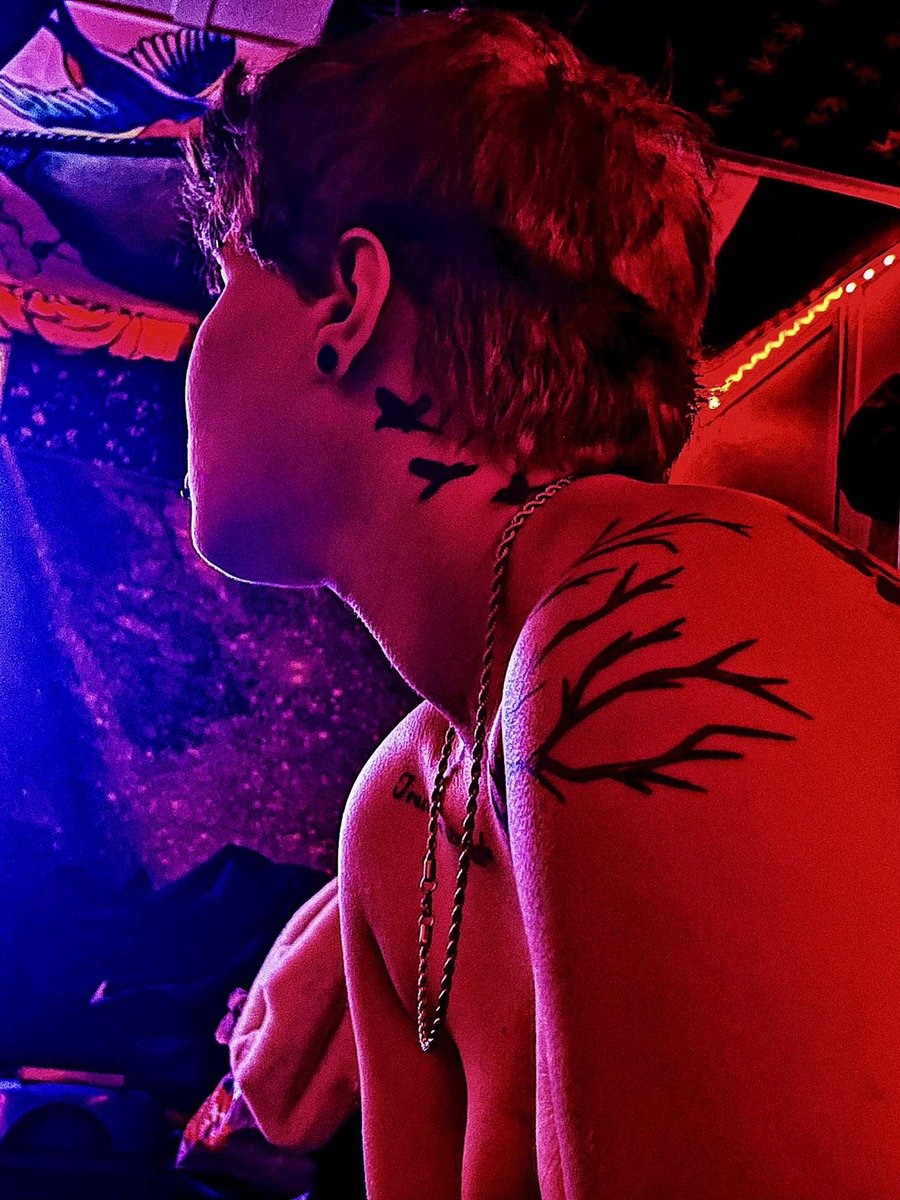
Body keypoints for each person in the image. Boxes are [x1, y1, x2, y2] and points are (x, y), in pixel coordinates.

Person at [181, 9, 900, 1197]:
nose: (197, 344)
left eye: (225, 279)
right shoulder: (404, 807)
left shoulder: (663, 622)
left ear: (349, 300)